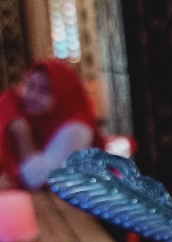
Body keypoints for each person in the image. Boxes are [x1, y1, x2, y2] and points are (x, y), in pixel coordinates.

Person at [0, 59, 104, 190]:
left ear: (64, 94)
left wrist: (20, 131)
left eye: (45, 90)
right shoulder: (35, 116)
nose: (32, 95)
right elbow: (7, 99)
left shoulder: (76, 129)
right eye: (30, 85)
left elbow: (37, 179)